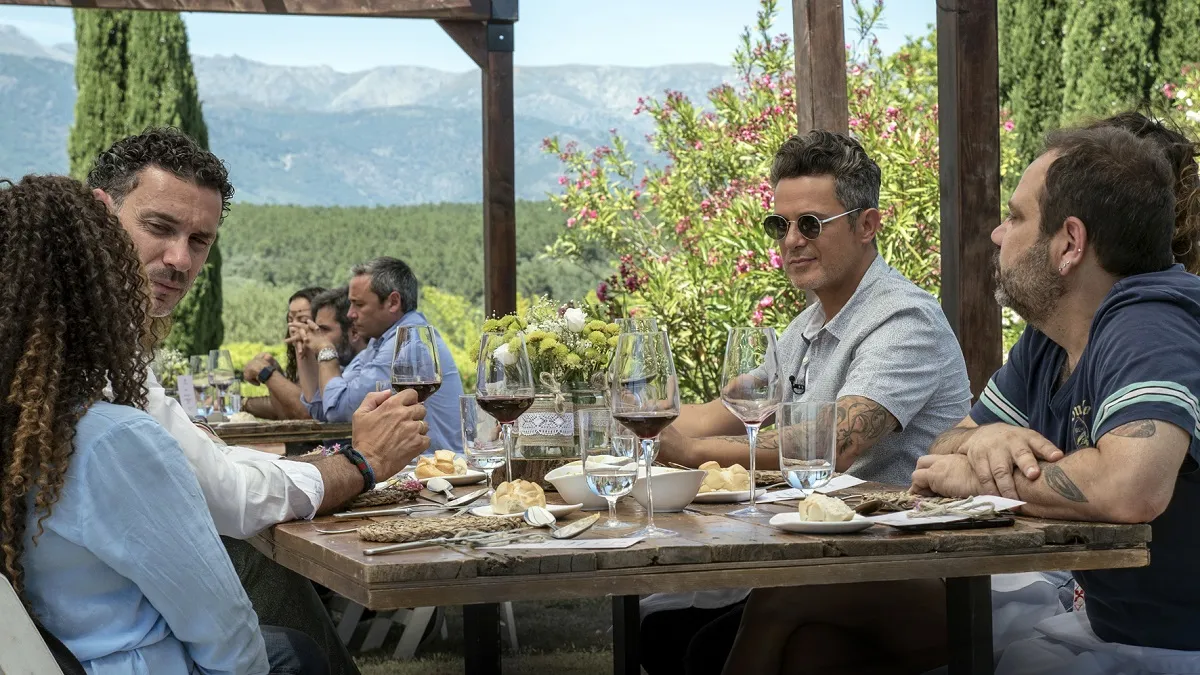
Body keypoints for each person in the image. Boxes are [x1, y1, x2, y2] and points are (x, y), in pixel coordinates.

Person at [726, 121, 1200, 675]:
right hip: (1092, 624)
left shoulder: (1150, 322)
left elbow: (1130, 488)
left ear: (1069, 243)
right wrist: (990, 439)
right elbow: (948, 446)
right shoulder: (1053, 340)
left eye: (1017, 217)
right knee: (819, 650)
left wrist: (976, 476)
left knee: (787, 600)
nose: (998, 235)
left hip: (1161, 653)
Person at [86, 127, 430, 675]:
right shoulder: (87, 355)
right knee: (264, 581)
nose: (179, 259)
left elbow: (217, 465)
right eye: (159, 227)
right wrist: (359, 463)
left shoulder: (97, 344)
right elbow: (229, 495)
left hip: (88, 621)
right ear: (102, 215)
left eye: (200, 241)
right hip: (113, 643)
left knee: (260, 563)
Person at [640, 130, 972, 675]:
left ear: (868, 225)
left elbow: (832, 443)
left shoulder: (904, 319)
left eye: (810, 224)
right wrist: (623, 413)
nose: (791, 240)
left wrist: (694, 452)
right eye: (781, 225)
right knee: (675, 637)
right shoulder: (810, 324)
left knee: (763, 613)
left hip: (915, 556)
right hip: (834, 551)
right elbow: (723, 409)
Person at [0, 174, 326, 675]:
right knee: (293, 651)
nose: (178, 261)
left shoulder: (23, 424)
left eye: (199, 241)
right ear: (98, 292)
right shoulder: (110, 438)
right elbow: (227, 634)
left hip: (59, 655)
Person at [296, 256, 465, 452]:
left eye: (358, 304)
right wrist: (305, 351)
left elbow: (339, 411)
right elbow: (323, 407)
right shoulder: (379, 342)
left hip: (435, 475)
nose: (350, 314)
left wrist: (326, 351)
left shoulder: (408, 344)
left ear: (393, 302)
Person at [242, 287, 326, 421]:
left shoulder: (331, 360)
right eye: (290, 320)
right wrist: (273, 370)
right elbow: (285, 414)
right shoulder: (301, 359)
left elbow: (308, 412)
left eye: (303, 320)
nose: (294, 327)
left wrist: (267, 373)